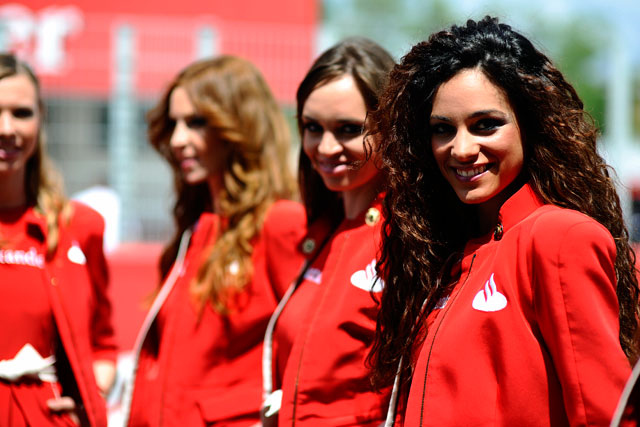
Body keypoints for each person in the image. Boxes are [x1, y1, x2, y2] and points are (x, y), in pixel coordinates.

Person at [368, 16, 639, 426]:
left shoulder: (559, 237)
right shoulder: (443, 256)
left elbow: (603, 413)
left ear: (530, 125)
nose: (461, 148)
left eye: (486, 125)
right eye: (443, 129)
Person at [122, 55, 304, 426]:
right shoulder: (195, 229)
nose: (178, 140)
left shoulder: (280, 223)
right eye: (173, 124)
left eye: (196, 122)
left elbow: (307, 351)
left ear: (239, 125)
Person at [260, 37, 396, 426]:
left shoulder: (410, 238)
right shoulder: (317, 233)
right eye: (312, 128)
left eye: (348, 129)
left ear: (390, 128)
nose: (325, 147)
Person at [0, 53, 116, 425]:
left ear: (41, 118)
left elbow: (104, 344)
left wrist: (91, 399)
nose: (6, 128)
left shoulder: (79, 226)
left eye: (21, 113)